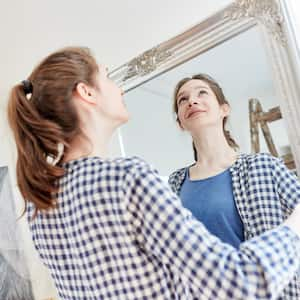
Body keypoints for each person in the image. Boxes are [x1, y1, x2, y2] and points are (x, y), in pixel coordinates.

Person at [7, 48, 300, 300]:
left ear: (224, 109)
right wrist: (295, 226)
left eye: (201, 94)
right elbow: (240, 283)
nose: (119, 89)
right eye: (108, 77)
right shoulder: (127, 179)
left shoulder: (40, 203)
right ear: (86, 92)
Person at [169, 73, 300, 299]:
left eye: (202, 93)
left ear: (224, 109)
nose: (192, 101)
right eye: (183, 99)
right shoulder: (174, 185)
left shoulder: (263, 166)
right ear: (180, 122)